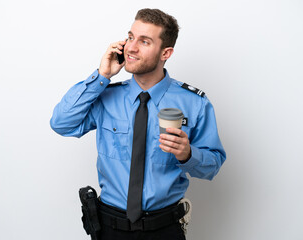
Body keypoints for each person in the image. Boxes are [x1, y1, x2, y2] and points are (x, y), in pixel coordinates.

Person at [50, 8, 226, 240]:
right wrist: (101, 76)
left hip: (165, 228)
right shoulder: (105, 96)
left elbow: (212, 166)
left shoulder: (194, 103)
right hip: (109, 228)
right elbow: (61, 123)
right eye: (131, 37)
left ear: (166, 52)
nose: (131, 47)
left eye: (144, 41)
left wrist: (188, 154)